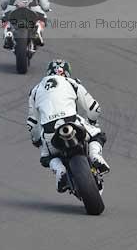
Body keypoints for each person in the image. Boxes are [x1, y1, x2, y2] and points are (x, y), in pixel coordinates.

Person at [27, 59, 110, 193]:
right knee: (98, 135)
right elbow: (95, 108)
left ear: (48, 73)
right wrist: (92, 122)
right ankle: (95, 155)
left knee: (46, 158)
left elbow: (32, 123)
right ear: (67, 73)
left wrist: (36, 140)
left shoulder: (35, 91)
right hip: (72, 121)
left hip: (49, 131)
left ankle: (60, 169)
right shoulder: (71, 82)